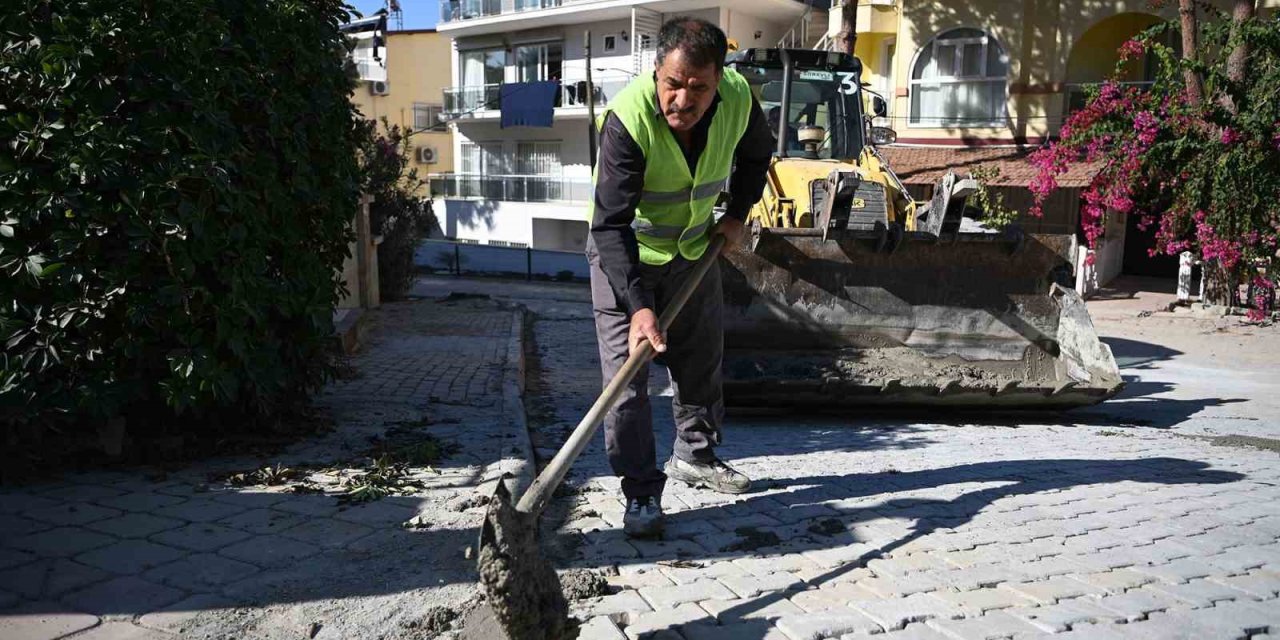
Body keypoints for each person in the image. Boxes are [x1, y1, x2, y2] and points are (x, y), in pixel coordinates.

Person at [586, 17, 775, 538]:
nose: (683, 99)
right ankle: (642, 492)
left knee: (699, 359)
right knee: (627, 379)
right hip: (623, 256)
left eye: (698, 87)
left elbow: (758, 152)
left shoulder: (737, 97)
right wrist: (639, 306)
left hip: (692, 250)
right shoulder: (627, 120)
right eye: (673, 83)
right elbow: (611, 223)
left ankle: (696, 455)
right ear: (656, 73)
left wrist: (738, 211)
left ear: (718, 80)